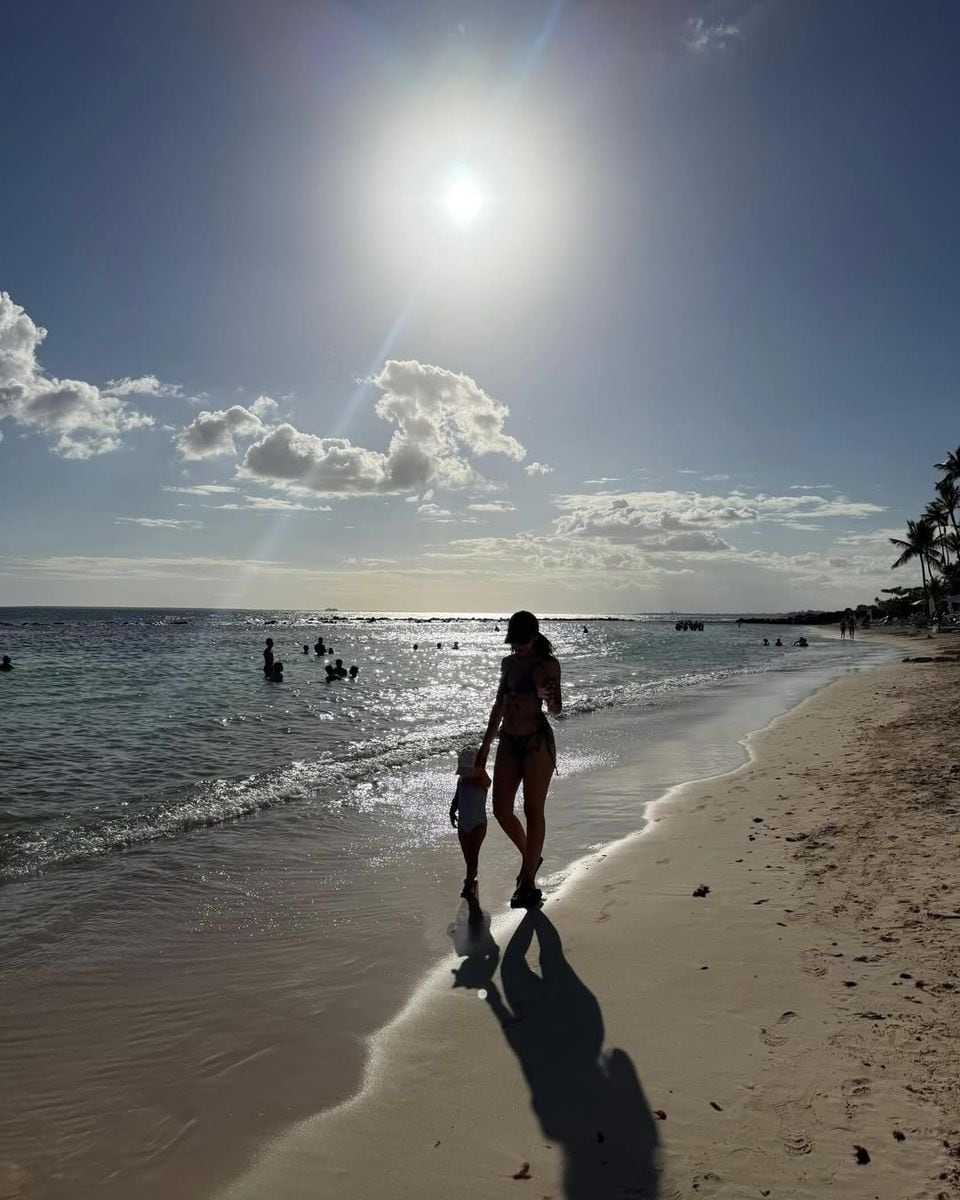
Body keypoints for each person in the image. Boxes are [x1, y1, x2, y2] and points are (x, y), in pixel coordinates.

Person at [476, 610, 562, 909]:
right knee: (500, 809)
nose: (517, 649)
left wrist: (546, 696)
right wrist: (485, 745)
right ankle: (531, 857)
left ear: (534, 637)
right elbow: (498, 704)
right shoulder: (509, 664)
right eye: (513, 643)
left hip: (537, 742)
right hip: (508, 741)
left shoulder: (547, 665)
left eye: (522, 644)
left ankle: (527, 882)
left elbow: (557, 710)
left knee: (532, 808)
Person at [449, 746, 491, 908]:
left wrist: (479, 772)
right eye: (463, 771)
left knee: (473, 855)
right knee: (467, 855)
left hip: (478, 824)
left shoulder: (482, 780)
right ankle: (471, 878)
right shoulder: (461, 780)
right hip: (463, 824)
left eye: (468, 770)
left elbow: (488, 782)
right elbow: (457, 797)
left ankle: (469, 886)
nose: (465, 774)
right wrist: (452, 810)